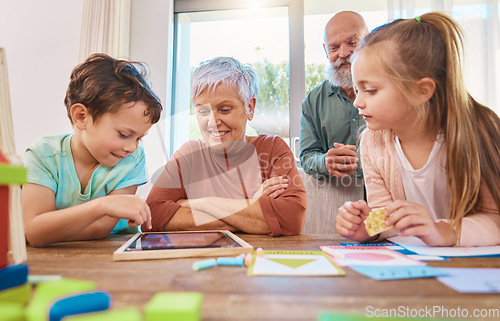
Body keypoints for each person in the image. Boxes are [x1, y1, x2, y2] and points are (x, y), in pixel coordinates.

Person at [336, 12, 500, 246]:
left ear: (421, 91)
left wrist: (444, 231)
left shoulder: (479, 130)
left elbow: (496, 218)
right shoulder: (372, 142)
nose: (357, 102)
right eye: (356, 89)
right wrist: (368, 227)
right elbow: (386, 216)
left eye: (371, 90)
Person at [145, 56, 306, 236]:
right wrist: (251, 209)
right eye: (203, 111)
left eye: (225, 110)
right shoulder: (189, 155)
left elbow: (292, 219)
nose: (212, 123)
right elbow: (151, 216)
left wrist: (200, 204)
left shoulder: (273, 148)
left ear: (250, 107)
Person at [23, 53, 163, 247]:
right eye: (124, 134)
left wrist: (50, 231)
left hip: (112, 255)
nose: (132, 147)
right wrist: (103, 205)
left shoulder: (132, 159)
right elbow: (35, 231)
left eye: (139, 138)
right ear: (81, 117)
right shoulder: (43, 154)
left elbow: (101, 228)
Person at [299, 11, 368, 180]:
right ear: (325, 50)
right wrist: (325, 161)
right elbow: (307, 156)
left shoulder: (390, 91)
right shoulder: (313, 101)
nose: (343, 54)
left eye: (352, 43)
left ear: (368, 42)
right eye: (334, 48)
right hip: (336, 198)